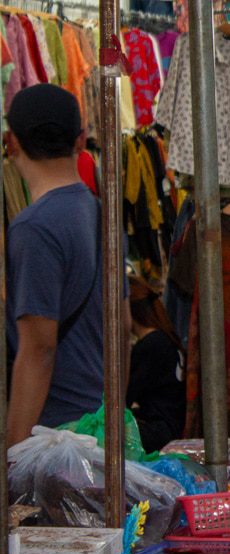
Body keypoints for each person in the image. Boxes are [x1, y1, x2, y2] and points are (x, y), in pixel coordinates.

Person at [3, 84, 124, 446]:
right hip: (98, 425)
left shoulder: (33, 228)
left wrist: (12, 454)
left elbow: (39, 350)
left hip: (53, 436)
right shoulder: (103, 214)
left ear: (11, 143)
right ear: (81, 141)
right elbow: (123, 325)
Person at [128, 276, 186, 453]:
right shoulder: (165, 338)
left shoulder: (150, 345)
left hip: (160, 431)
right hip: (172, 425)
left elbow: (124, 397)